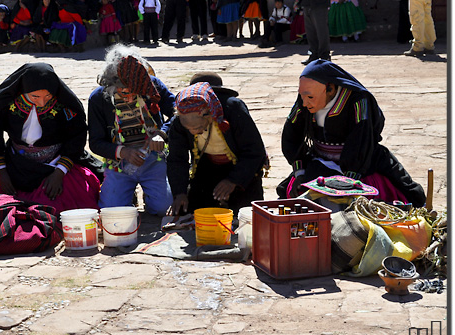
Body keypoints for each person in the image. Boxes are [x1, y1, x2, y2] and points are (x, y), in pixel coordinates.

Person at [278, 59, 426, 206]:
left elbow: (361, 141)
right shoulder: (305, 98)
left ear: (330, 89)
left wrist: (348, 182)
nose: (304, 103)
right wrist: (300, 172)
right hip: (319, 160)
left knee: (408, 194)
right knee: (294, 194)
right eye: (302, 96)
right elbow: (292, 133)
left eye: (310, 97)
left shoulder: (358, 101)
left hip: (360, 162)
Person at [0, 63, 101, 213]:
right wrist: (2, 172)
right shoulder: (6, 104)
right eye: (35, 96)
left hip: (56, 162)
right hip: (17, 163)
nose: (42, 102)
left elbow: (77, 135)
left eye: (48, 96)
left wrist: (60, 172)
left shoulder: (64, 105)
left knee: (72, 197)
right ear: (23, 90)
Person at [88, 45, 175, 216]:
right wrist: (123, 152)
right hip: (119, 164)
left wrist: (161, 134)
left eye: (134, 92)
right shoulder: (99, 98)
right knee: (110, 212)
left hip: (153, 158)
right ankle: (127, 193)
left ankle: (152, 196)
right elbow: (96, 143)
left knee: (164, 209)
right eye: (124, 91)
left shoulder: (151, 86)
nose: (129, 96)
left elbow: (178, 112)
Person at [167, 74, 268, 221]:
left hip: (240, 168)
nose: (194, 132)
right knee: (194, 210)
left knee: (245, 214)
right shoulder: (179, 121)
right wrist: (180, 192)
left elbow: (254, 151)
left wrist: (233, 180)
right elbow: (177, 159)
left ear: (207, 114)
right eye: (189, 129)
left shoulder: (233, 109)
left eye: (198, 127)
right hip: (207, 167)